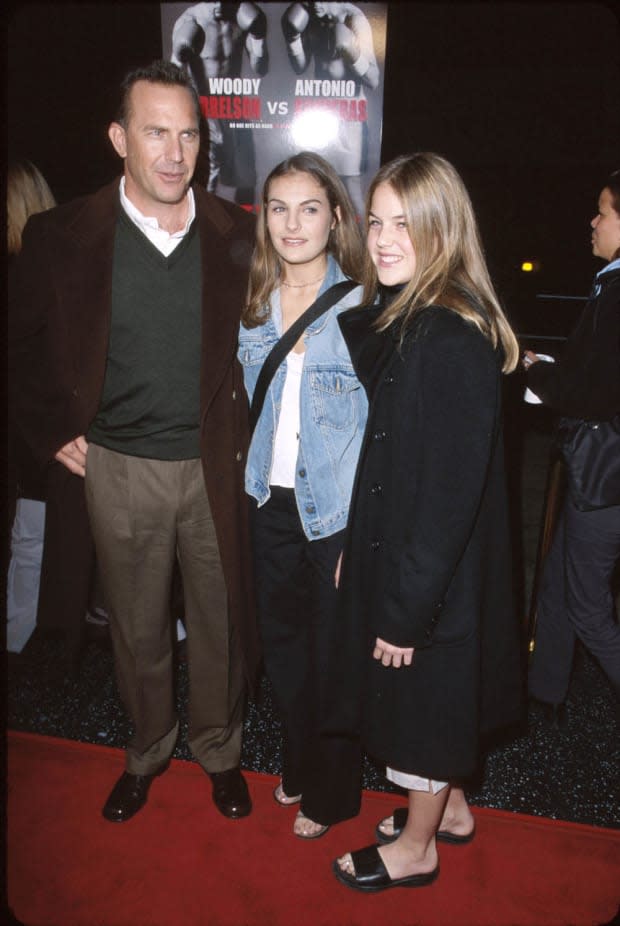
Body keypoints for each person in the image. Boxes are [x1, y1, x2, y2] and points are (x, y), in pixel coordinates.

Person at [9, 60, 259, 824]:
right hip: (117, 468)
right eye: (156, 132)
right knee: (137, 628)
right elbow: (17, 347)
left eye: (188, 133)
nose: (175, 153)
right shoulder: (62, 236)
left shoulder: (236, 235)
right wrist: (52, 430)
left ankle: (219, 751)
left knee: (220, 625)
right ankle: (149, 749)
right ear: (120, 138)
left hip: (214, 466)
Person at [329, 152, 522, 891]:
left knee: (422, 708)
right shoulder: (418, 317)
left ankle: (419, 846)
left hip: (431, 578)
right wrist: (359, 549)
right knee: (437, 701)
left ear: (442, 228)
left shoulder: (448, 338)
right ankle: (454, 811)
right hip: (415, 559)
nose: (381, 238)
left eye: (404, 224)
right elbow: (391, 462)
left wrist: (405, 613)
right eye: (376, 221)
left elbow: (445, 500)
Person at [238, 152, 366, 837]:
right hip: (268, 503)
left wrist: (365, 534)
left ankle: (333, 792)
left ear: (336, 218)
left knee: (332, 659)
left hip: (337, 513)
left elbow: (383, 434)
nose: (292, 223)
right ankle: (297, 762)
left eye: (309, 207)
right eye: (278, 208)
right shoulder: (253, 304)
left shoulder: (363, 308)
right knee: (284, 650)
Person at [524, 170, 620, 723]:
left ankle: (548, 695)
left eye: (602, 211)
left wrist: (535, 376)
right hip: (597, 473)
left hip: (603, 477)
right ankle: (546, 695)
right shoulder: (610, 284)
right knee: (562, 579)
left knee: (588, 608)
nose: (593, 221)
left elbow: (594, 391)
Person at [6, 160, 56, 654]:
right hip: (42, 420)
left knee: (33, 536)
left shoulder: (33, 266)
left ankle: (18, 637)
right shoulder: (43, 264)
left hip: (38, 422)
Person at [281, 2, 379, 216]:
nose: (315, 4)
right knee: (314, 189)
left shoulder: (354, 19)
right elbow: (299, 68)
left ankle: (365, 249)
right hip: (319, 116)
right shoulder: (310, 16)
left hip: (349, 114)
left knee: (350, 189)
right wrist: (292, 38)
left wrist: (352, 51)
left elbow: (373, 79)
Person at [171, 1, 268, 203]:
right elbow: (171, 79)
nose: (218, 3)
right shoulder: (190, 21)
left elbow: (261, 69)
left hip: (235, 110)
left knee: (247, 180)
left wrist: (258, 36)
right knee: (207, 182)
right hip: (204, 112)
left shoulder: (241, 19)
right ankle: (202, 231)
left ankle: (245, 231)